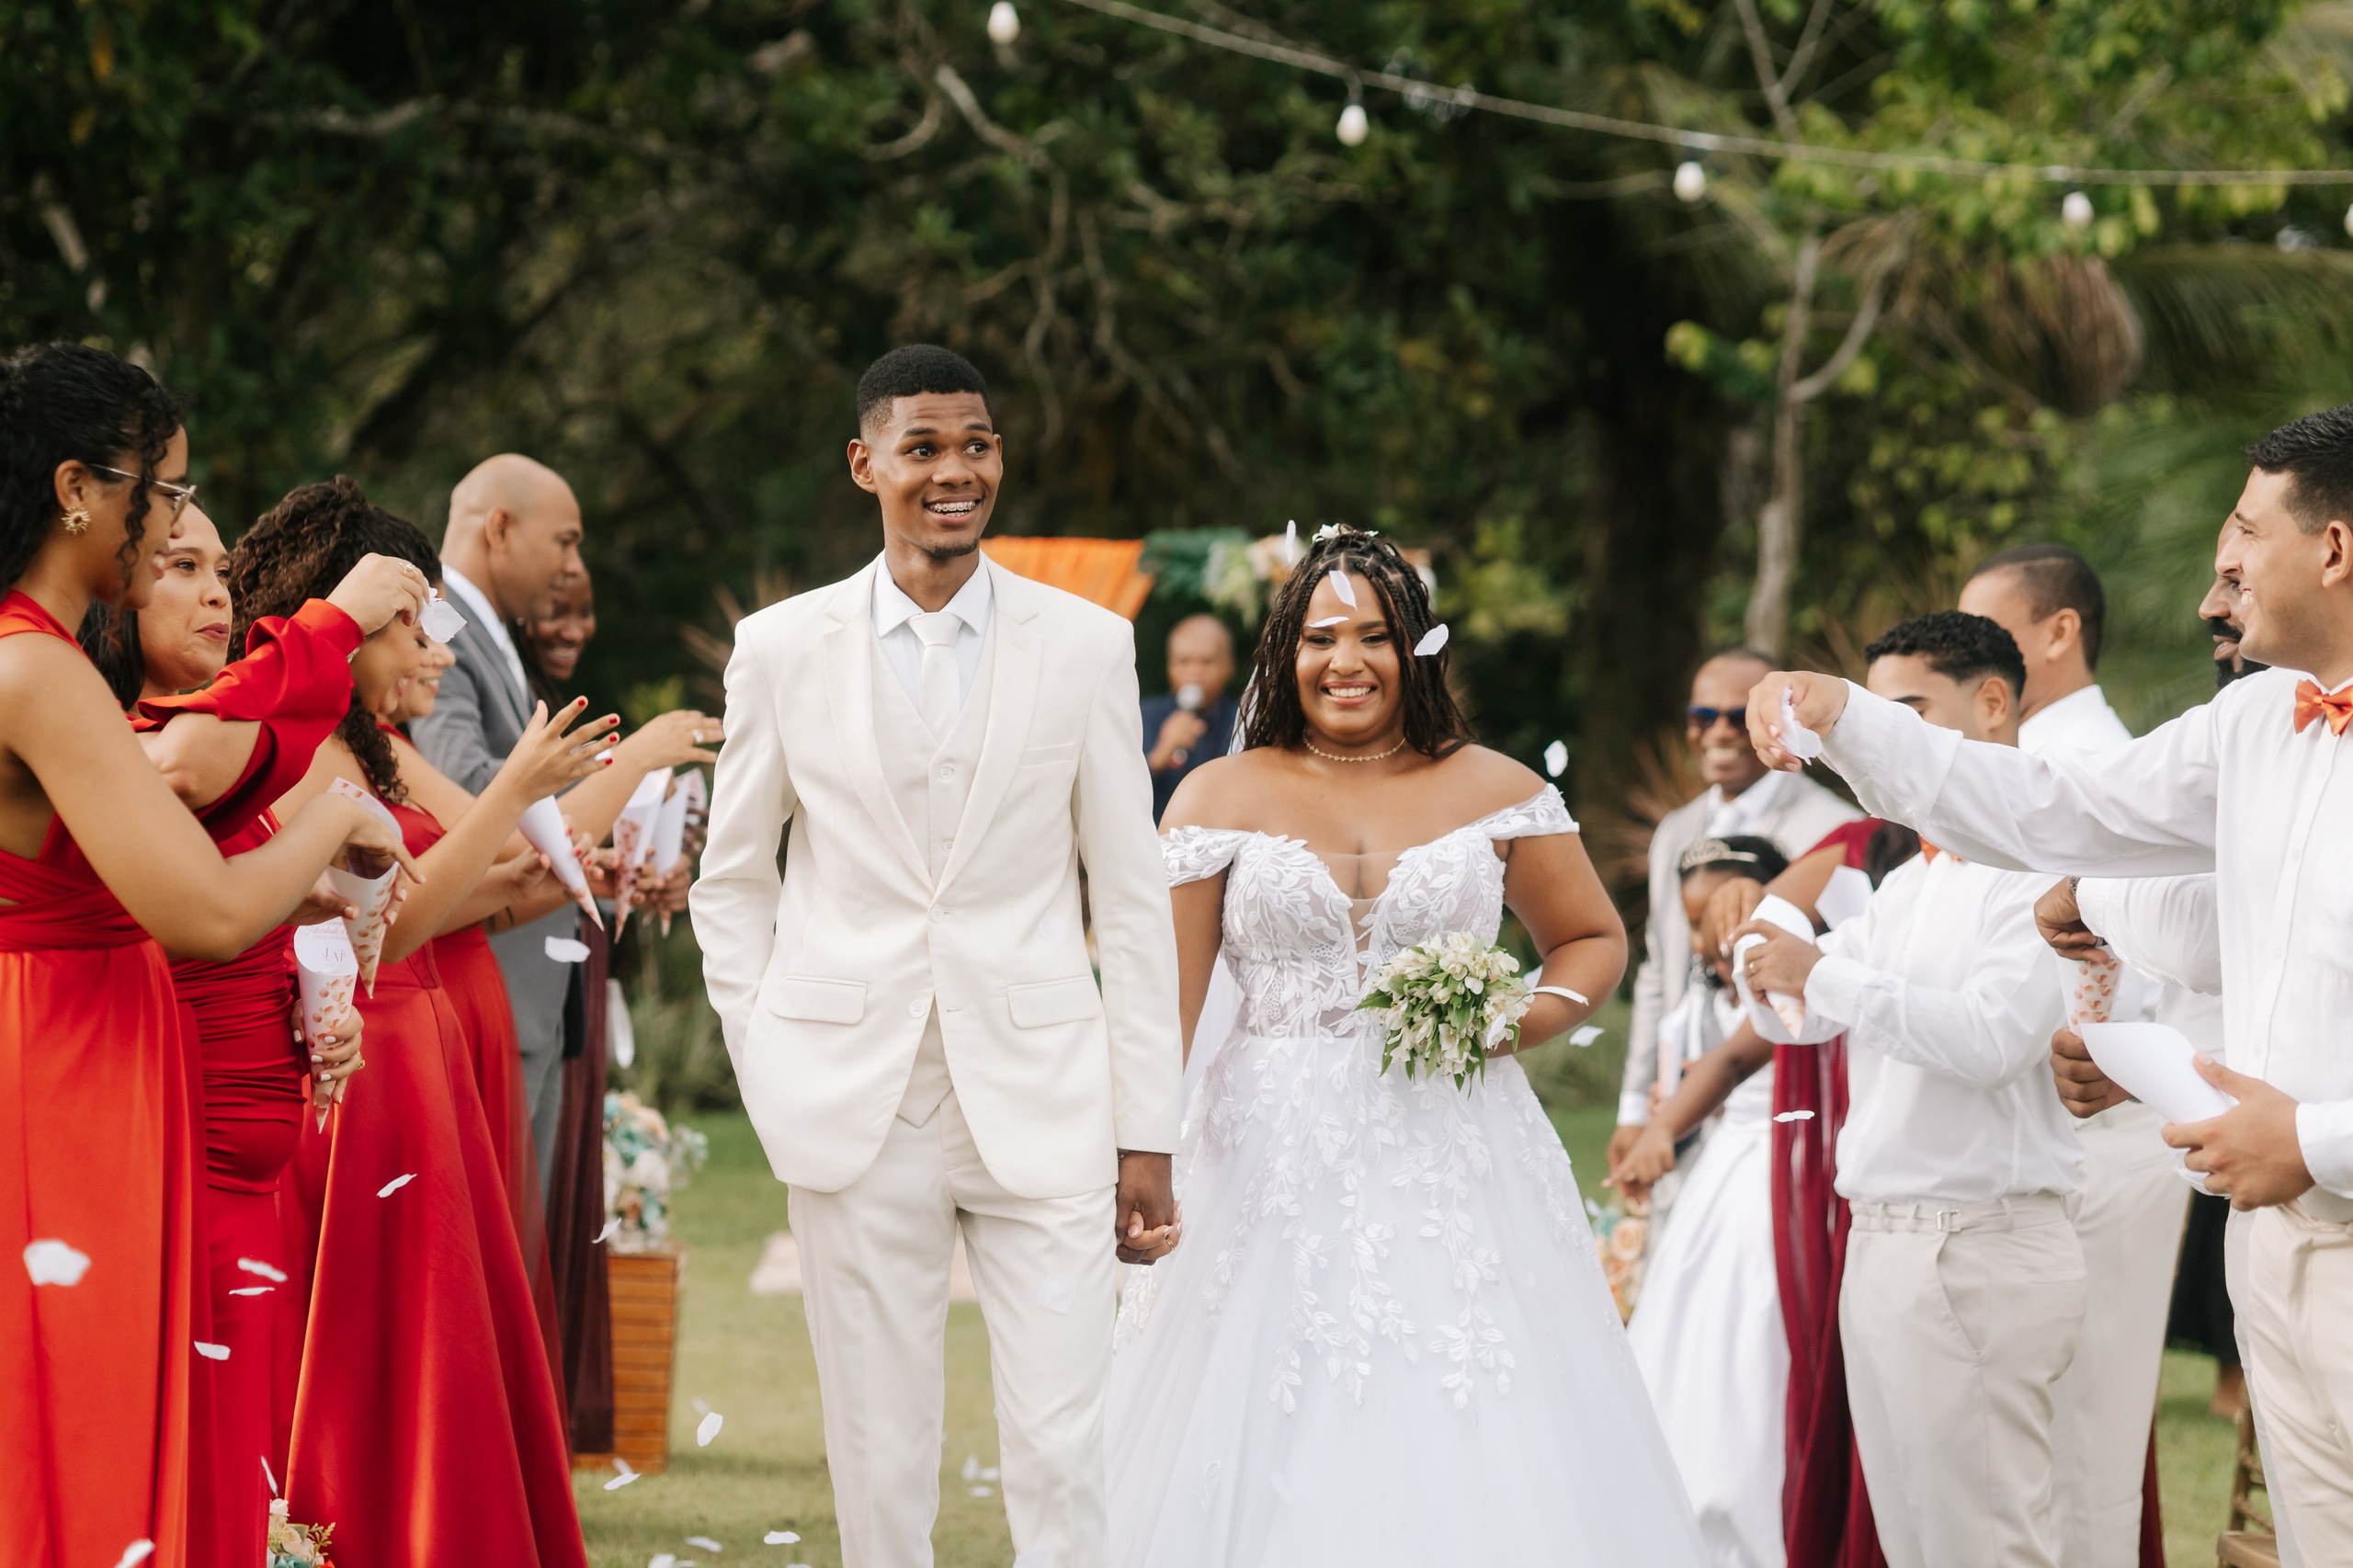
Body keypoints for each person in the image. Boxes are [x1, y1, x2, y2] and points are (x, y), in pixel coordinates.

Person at [1747, 407, 2353, 1560]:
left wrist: (2315, 1139)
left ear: (2330, 549)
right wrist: (1851, 719)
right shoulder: (2252, 724)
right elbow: (2061, 814)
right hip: (2268, 1249)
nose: (2215, 578)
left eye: (2242, 530)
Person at [1103, 523, 1705, 1566]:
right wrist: (1141, 1151)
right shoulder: (1216, 794)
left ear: (1415, 649)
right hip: (1265, 1148)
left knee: (1469, 1393)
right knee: (1260, 1405)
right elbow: (1163, 998)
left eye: (1375, 637)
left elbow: (1592, 936)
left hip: (1454, 1141)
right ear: (1283, 653)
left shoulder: (1497, 787)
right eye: (1321, 636)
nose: (1346, 661)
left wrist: (1518, 1017)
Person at [692, 345, 1182, 1568]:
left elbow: (1129, 899)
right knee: (880, 1452)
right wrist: (772, 1060)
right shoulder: (781, 648)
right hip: (850, 1095)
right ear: (867, 464)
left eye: (977, 444)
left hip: (1046, 1092)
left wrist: (1148, 1127)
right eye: (924, 448)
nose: (955, 471)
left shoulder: (1087, 645)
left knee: (1069, 1446)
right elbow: (733, 881)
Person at [0, 343, 417, 1568]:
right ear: (82, 488)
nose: (182, 520)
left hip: (84, 1040)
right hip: (69, 1064)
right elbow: (206, 913)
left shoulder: (41, 659)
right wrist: (338, 823)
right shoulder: (37, 670)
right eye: (168, 494)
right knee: (88, 1416)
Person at [244, 478, 607, 1567]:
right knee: (381, 1345)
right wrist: (521, 790)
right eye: (409, 620)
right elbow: (389, 929)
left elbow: (494, 871)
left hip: (424, 1044)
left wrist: (553, 832)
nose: (429, 645)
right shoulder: (301, 745)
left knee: (446, 1336)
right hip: (366, 1058)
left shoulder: (375, 745)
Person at [112, 504, 428, 1566]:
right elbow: (177, 894)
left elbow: (234, 900)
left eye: (219, 569)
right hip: (181, 1152)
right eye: (181, 566)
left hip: (251, 1162)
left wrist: (307, 980)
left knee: (234, 1456)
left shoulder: (222, 743)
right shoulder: (147, 743)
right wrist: (338, 816)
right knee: (185, 1461)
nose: (215, 590)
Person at [1736, 611, 2084, 1568]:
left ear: (1991, 702)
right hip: (1884, 1241)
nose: (1876, 740)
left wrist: (1822, 973)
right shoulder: (1909, 880)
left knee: (1985, 1541)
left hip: (1979, 1243)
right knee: (1913, 1536)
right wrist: (1769, 965)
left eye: (1905, 712)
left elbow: (1988, 1038)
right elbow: (1809, 1007)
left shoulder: (2042, 869)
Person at [1960, 542, 2178, 1568]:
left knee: (2085, 1421)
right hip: (2018, 1128)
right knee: (2013, 1429)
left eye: (1987, 630)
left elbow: (2136, 958)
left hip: (2106, 1120)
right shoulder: (2006, 764)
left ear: (2060, 630)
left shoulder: (2098, 766)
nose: (1969, 656)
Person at [411, 453, 595, 1204]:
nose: (571, 565)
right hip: (491, 985)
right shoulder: (438, 623)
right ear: (500, 528)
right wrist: (613, 790)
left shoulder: (486, 632)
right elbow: (463, 778)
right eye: (565, 541)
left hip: (530, 988)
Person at [1611, 648, 1858, 1178]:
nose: (1718, 732)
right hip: (1675, 1081)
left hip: (1779, 1089)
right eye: (1702, 716)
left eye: (1736, 716)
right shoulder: (1675, 831)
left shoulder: (1831, 829)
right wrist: (1635, 1106)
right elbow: (1659, 973)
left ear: (1778, 720)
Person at [1615, 835, 1792, 1568]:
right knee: (1687, 1352)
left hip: (1769, 1188)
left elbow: (1733, 1073)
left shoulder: (1784, 989)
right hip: (1710, 1194)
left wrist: (1672, 1118)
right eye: (1693, 925)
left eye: (1719, 918)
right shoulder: (1695, 1005)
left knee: (1751, 1350)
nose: (1708, 941)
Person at [1142, 611, 1237, 820]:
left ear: (1229, 666)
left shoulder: (1242, 721)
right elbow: (1121, 795)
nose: (1195, 671)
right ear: (1169, 667)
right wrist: (1160, 754)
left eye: (1207, 662)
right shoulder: (1143, 716)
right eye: (1184, 662)